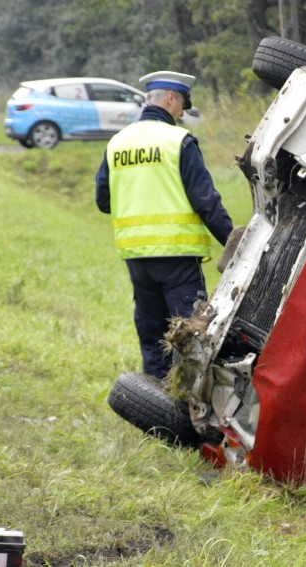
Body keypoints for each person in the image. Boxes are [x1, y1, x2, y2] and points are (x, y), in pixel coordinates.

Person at [95, 71, 233, 379]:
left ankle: (155, 411)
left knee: (153, 336)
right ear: (170, 98)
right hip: (178, 258)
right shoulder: (178, 141)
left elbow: (103, 201)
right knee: (190, 337)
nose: (182, 112)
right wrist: (236, 243)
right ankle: (188, 413)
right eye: (182, 103)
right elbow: (205, 201)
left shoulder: (118, 143)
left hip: (137, 258)